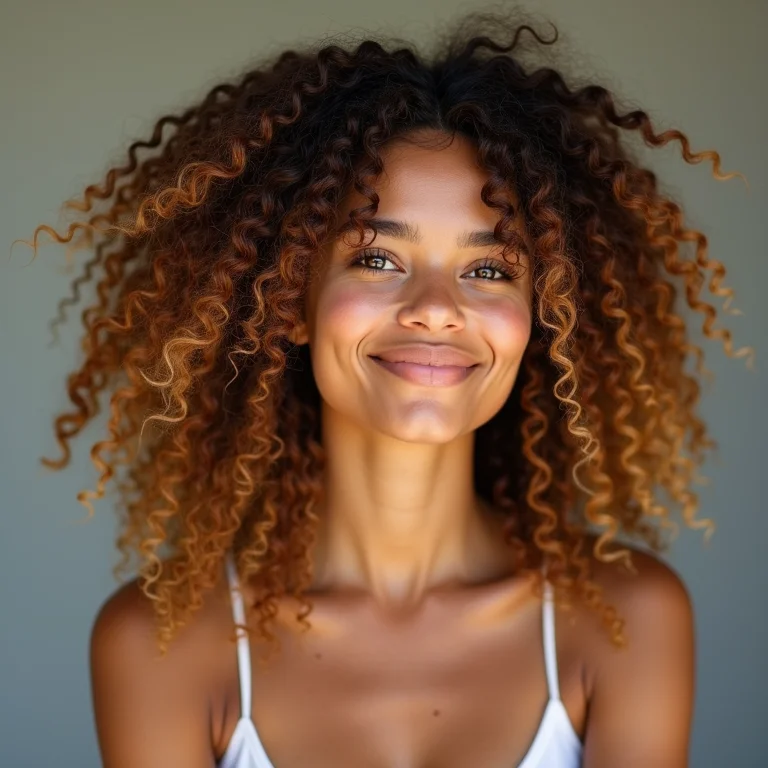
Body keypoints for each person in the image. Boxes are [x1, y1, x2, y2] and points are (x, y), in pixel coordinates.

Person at [23, 6, 751, 767]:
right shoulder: (160, 642)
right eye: (376, 260)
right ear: (289, 300)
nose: (436, 307)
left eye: (489, 270)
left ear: (543, 316)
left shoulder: (628, 619)